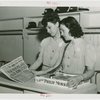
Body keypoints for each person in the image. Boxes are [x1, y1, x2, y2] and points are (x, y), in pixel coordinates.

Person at [59, 16, 96, 89]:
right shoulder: (66, 46)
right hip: (66, 84)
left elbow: (91, 71)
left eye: (63, 31)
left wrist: (79, 78)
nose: (61, 34)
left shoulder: (87, 46)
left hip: (80, 85)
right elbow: (64, 67)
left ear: (71, 29)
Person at [29, 11, 65, 76]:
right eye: (46, 29)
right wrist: (28, 71)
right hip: (42, 75)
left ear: (57, 24)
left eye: (49, 27)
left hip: (57, 75)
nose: (48, 31)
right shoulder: (45, 41)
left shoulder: (65, 42)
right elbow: (39, 61)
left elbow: (59, 65)